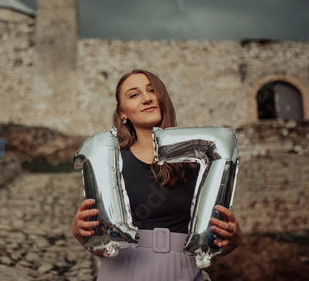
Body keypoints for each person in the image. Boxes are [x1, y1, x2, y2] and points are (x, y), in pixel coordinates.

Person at [71, 69, 242, 281]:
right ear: (122, 112)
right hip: (123, 272)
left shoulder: (199, 164)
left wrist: (233, 238)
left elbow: (212, 245)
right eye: (134, 95)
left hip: (185, 273)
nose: (146, 98)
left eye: (152, 90)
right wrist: (80, 231)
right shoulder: (111, 165)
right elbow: (100, 246)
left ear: (163, 98)